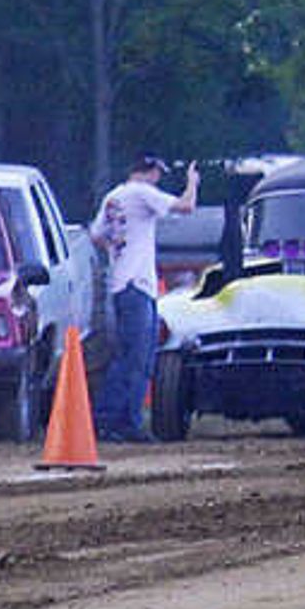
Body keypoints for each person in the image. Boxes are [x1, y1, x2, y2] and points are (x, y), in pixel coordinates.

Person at [87, 155, 188, 442]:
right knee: (137, 358)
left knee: (129, 355)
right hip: (137, 285)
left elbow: (96, 234)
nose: (158, 178)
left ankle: (118, 420)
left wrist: (115, 247)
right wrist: (192, 183)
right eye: (157, 172)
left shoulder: (114, 197)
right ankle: (115, 420)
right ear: (149, 170)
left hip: (122, 282)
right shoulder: (141, 193)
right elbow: (185, 206)